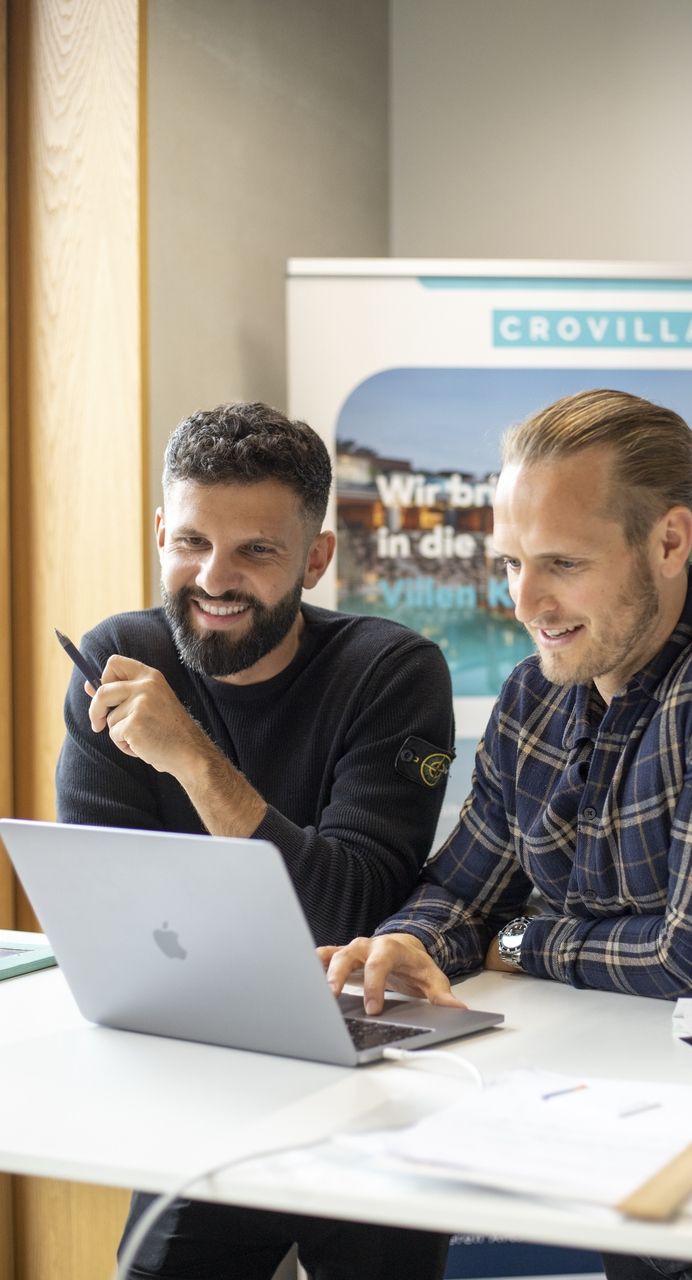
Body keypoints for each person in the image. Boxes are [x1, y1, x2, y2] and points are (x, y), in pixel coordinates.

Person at [322, 388, 692, 1280]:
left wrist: (517, 941)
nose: (524, 601)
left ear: (671, 541)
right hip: (617, 1111)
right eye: (509, 562)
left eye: (561, 562)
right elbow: (461, 884)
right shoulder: (539, 689)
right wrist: (411, 943)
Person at [56, 401, 455, 1280]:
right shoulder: (118, 656)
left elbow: (350, 903)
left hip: (371, 1075)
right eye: (192, 542)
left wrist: (192, 760)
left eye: (256, 551)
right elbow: (105, 911)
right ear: (161, 531)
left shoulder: (391, 672)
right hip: (205, 1069)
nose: (213, 577)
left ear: (316, 557)